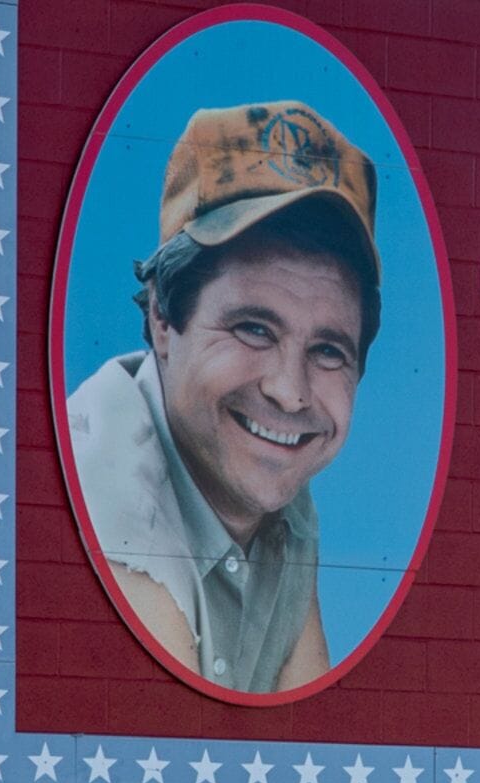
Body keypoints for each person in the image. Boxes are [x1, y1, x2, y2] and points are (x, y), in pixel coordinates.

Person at [63, 100, 385, 696]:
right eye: (254, 329)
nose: (289, 393)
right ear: (163, 318)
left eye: (329, 350)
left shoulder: (268, 486)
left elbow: (306, 738)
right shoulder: (107, 483)